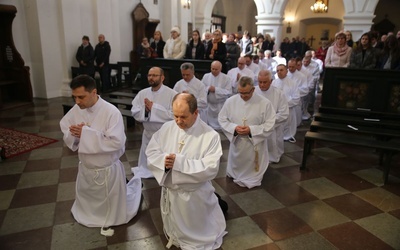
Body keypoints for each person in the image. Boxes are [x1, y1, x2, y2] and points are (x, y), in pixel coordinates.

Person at [59, 75, 141, 236]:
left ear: (94, 92)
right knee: (87, 205)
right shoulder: (76, 110)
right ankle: (87, 212)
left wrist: (86, 133)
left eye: (81, 97)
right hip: (87, 168)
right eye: (74, 97)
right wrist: (75, 135)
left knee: (113, 214)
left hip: (107, 170)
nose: (77, 101)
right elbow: (66, 129)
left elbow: (117, 142)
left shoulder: (111, 112)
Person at [145, 93, 227, 249]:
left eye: (183, 117)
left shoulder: (210, 135)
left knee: (198, 230)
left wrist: (179, 163)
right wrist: (165, 162)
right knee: (175, 227)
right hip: (172, 192)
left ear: (196, 113)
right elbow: (152, 151)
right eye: (175, 116)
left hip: (195, 197)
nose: (178, 121)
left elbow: (210, 168)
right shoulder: (168, 127)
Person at [218, 76, 276, 188]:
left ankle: (253, 174)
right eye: (240, 93)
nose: (243, 96)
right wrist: (234, 128)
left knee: (252, 166)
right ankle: (235, 172)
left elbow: (270, 124)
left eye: (246, 93)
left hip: (254, 143)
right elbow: (222, 119)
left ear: (253, 89)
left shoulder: (265, 103)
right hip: (238, 141)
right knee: (237, 163)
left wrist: (251, 130)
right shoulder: (231, 101)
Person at [130, 67, 177, 178]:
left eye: (155, 75)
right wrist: (145, 111)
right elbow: (134, 110)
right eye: (149, 75)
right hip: (148, 133)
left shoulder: (172, 94)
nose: (151, 78)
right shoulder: (143, 93)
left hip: (164, 133)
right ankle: (147, 168)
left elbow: (174, 115)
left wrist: (154, 108)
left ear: (162, 78)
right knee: (147, 161)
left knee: (162, 161)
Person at [255, 70, 289, 163]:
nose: (261, 85)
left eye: (265, 82)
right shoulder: (253, 91)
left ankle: (272, 157)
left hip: (273, 127)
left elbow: (284, 113)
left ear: (271, 81)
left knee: (272, 146)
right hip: (256, 126)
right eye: (260, 82)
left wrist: (269, 120)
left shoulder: (279, 93)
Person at [272, 64, 300, 144]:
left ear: (286, 71)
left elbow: (296, 98)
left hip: (288, 109)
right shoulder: (274, 82)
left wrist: (284, 105)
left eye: (281, 70)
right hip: (277, 110)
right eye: (277, 70)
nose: (279, 72)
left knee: (288, 125)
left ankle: (287, 136)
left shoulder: (292, 83)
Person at [202, 60, 232, 130]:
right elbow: (201, 88)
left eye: (216, 69)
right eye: (212, 69)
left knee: (220, 124)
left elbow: (228, 92)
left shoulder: (226, 78)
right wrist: (208, 88)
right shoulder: (206, 76)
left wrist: (216, 89)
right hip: (209, 105)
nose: (214, 71)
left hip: (220, 105)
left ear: (220, 69)